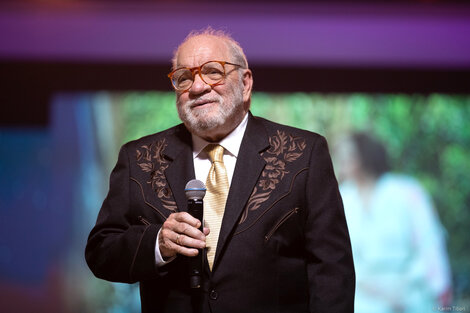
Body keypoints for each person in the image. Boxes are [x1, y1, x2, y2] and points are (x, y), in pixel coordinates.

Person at [85, 28, 355, 313]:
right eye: (184, 78)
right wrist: (157, 243)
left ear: (245, 83)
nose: (198, 87)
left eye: (213, 72)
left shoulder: (303, 153)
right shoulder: (139, 159)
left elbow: (332, 271)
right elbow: (101, 252)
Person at [334, 132, 452, 313]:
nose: (341, 159)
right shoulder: (342, 197)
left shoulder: (407, 192)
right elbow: (338, 253)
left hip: (411, 290)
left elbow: (429, 244)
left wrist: (415, 289)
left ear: (365, 154)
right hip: (362, 293)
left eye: (348, 153)